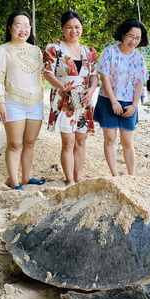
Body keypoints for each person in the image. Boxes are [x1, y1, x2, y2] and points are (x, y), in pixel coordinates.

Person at [0, 12, 47, 190]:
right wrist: (0, 102)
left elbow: (43, 75)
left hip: (36, 101)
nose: (23, 29)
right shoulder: (2, 50)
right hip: (12, 102)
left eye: (26, 25)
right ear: (10, 28)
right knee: (15, 144)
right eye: (18, 25)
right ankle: (14, 183)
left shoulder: (36, 50)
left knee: (30, 143)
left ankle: (26, 178)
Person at [43, 11, 98, 185]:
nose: (73, 31)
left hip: (84, 98)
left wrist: (91, 90)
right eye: (69, 27)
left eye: (77, 27)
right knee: (68, 141)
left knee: (81, 140)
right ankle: (70, 180)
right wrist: (60, 86)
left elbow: (94, 75)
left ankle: (78, 177)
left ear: (81, 28)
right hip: (64, 97)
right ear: (62, 29)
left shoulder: (89, 51)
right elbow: (47, 72)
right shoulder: (54, 48)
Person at [94, 19, 149, 176]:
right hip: (108, 99)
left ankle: (131, 176)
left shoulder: (138, 58)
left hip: (129, 102)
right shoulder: (109, 52)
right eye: (130, 36)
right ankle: (115, 175)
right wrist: (113, 101)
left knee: (128, 142)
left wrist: (134, 105)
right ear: (123, 34)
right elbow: (104, 78)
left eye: (137, 38)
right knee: (110, 139)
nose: (133, 41)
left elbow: (139, 83)